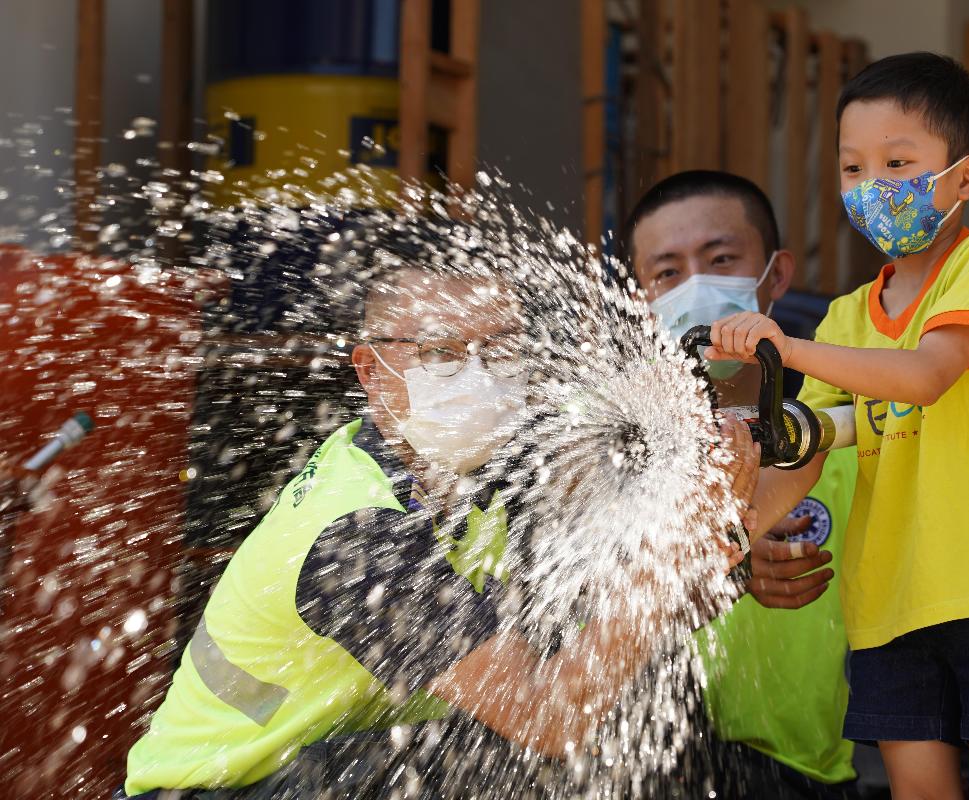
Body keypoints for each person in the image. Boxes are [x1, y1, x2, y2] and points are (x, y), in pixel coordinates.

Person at [120, 235, 757, 798]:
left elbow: (647, 579)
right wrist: (675, 557)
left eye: (501, 349)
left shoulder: (487, 466)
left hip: (319, 765)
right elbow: (549, 717)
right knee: (501, 745)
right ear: (371, 371)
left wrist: (732, 490)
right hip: (219, 789)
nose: (477, 375)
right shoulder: (355, 532)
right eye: (441, 353)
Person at [707, 53, 969, 799]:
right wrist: (726, 536)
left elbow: (928, 374)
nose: (872, 186)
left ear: (966, 178)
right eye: (853, 168)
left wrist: (785, 348)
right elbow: (807, 447)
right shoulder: (846, 317)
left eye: (897, 163)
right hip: (887, 605)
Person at [625, 170, 859, 799]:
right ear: (640, 301)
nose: (696, 287)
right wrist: (730, 561)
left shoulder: (839, 432)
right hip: (649, 767)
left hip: (803, 773)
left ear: (776, 275)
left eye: (721, 259)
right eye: (667, 272)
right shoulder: (611, 443)